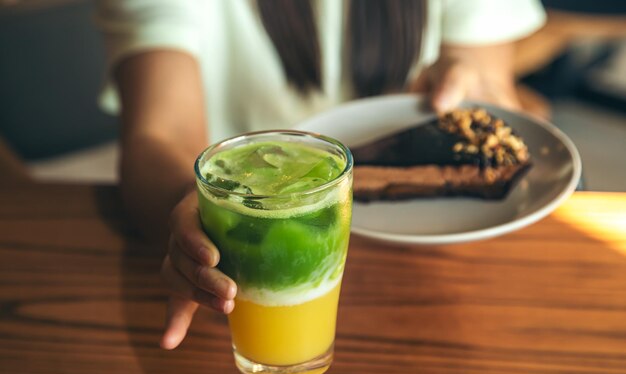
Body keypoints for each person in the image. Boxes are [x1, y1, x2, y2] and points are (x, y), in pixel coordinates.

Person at [95, 0, 546, 350]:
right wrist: (199, 219)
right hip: (246, 258)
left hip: (436, 269)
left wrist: (464, 87)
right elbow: (159, 133)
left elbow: (487, 87)